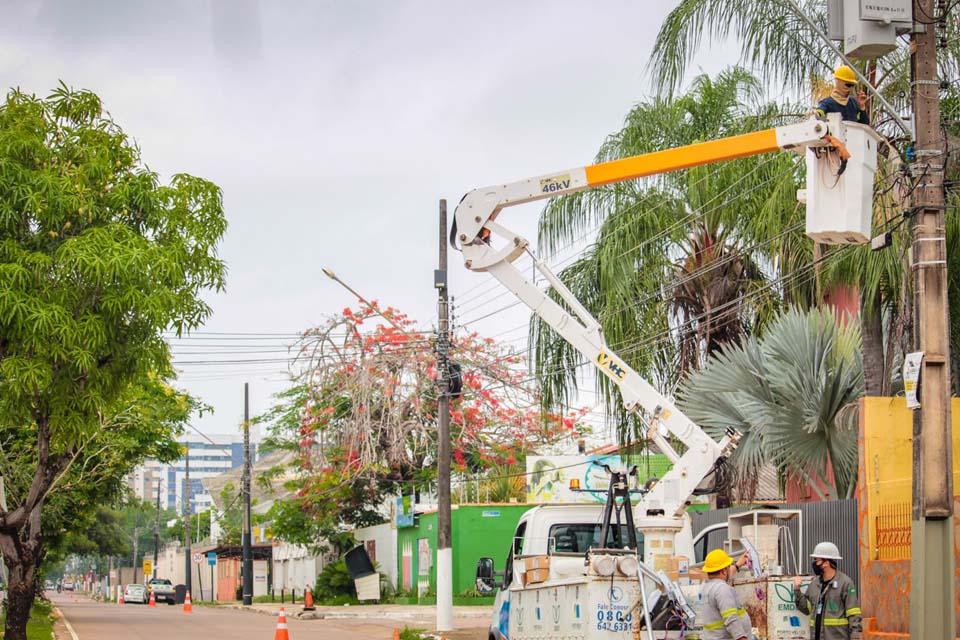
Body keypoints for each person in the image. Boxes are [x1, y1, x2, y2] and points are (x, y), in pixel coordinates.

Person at [794, 541, 862, 640]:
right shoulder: (814, 584)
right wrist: (797, 590)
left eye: (817, 560)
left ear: (826, 563)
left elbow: (853, 613)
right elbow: (807, 609)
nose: (815, 564)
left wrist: (855, 636)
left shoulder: (845, 583)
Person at [700, 549, 752, 640]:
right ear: (724, 571)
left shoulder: (705, 586)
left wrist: (738, 565)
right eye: (728, 567)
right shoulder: (722, 589)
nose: (729, 568)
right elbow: (731, 619)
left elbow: (723, 575)